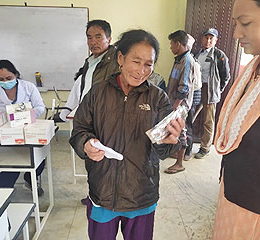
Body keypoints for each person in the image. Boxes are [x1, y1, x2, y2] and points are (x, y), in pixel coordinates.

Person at [69, 29, 185, 240]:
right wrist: (86, 144)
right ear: (120, 58)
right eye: (136, 61)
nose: (141, 71)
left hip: (141, 194)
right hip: (103, 192)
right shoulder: (97, 92)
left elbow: (164, 146)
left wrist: (172, 139)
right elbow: (79, 130)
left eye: (148, 64)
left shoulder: (158, 98)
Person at [212, 0, 260, 239]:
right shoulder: (254, 71)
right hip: (231, 197)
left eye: (245, 23)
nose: (236, 34)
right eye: (235, 24)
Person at [0, 59, 46, 196]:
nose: (5, 82)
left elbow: (40, 107)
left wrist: (24, 115)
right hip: (4, 136)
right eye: (0, 79)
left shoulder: (28, 87)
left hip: (27, 131)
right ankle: (3, 195)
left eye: (8, 78)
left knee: (39, 162)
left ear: (16, 74)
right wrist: (5, 119)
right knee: (12, 165)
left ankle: (30, 179)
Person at [57, 19, 119, 122]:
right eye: (89, 38)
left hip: (106, 120)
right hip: (88, 117)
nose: (93, 42)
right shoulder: (90, 62)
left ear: (109, 39)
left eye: (98, 37)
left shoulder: (117, 62)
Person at [194, 27, 230, 159]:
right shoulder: (198, 54)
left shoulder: (219, 55)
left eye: (211, 38)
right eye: (206, 37)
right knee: (191, 116)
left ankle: (205, 148)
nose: (208, 40)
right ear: (202, 39)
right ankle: (185, 145)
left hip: (210, 90)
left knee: (208, 121)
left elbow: (226, 76)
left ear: (215, 40)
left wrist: (217, 90)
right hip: (197, 89)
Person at [164, 30, 195, 174]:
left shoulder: (187, 61)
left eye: (171, 44)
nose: (170, 47)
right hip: (174, 102)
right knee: (173, 129)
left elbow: (184, 88)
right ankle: (176, 153)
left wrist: (175, 106)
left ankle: (179, 163)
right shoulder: (178, 59)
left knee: (181, 130)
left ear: (178, 43)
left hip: (180, 104)